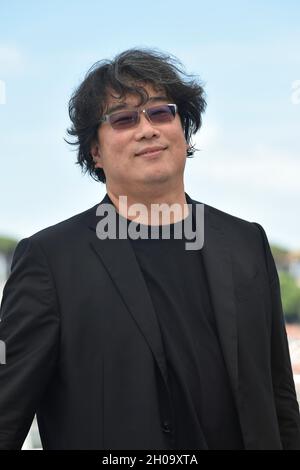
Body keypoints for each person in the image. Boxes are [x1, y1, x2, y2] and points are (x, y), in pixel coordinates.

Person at [0, 48, 300, 451]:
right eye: (123, 118)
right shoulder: (50, 260)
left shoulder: (246, 242)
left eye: (161, 112)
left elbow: (280, 395)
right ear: (95, 151)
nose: (147, 129)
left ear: (184, 129)